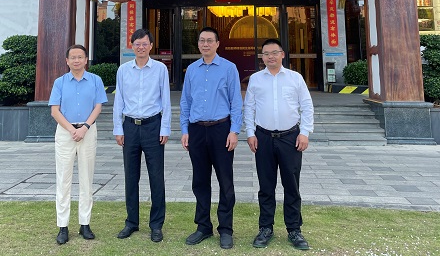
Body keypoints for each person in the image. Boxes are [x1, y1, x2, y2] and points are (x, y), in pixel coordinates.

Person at [243, 38, 314, 250]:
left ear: (282, 54)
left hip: (290, 138)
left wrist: (304, 133)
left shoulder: (295, 78)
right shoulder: (256, 79)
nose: (270, 57)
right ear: (262, 57)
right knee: (266, 186)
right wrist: (250, 133)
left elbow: (307, 106)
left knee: (291, 185)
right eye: (266, 53)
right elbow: (249, 108)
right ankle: (265, 228)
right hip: (263, 137)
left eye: (274, 52)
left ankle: (294, 229)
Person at [180, 26, 242, 250]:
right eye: (202, 41)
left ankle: (225, 229)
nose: (205, 44)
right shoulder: (192, 70)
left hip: (221, 130)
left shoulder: (229, 68)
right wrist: (185, 129)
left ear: (217, 44)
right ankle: (203, 226)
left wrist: (234, 131)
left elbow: (236, 101)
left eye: (209, 40)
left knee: (225, 181)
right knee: (200, 181)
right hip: (196, 130)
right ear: (198, 44)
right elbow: (186, 101)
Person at [113, 28, 171, 243]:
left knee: (156, 177)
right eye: (137, 44)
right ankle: (131, 222)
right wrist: (118, 128)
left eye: (144, 43)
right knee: (131, 177)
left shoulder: (160, 69)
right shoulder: (123, 70)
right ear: (132, 45)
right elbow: (119, 100)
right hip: (130, 127)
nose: (141, 47)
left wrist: (165, 128)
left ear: (151, 46)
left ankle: (156, 225)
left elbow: (166, 100)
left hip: (152, 126)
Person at [48, 44, 108, 245]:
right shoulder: (59, 82)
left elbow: (98, 106)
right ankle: (62, 226)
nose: (76, 60)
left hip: (87, 132)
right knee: (63, 179)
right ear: (67, 61)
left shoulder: (95, 80)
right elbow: (54, 111)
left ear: (86, 60)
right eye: (72, 57)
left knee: (86, 179)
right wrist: (72, 130)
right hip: (65, 132)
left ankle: (85, 223)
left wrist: (84, 128)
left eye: (80, 57)